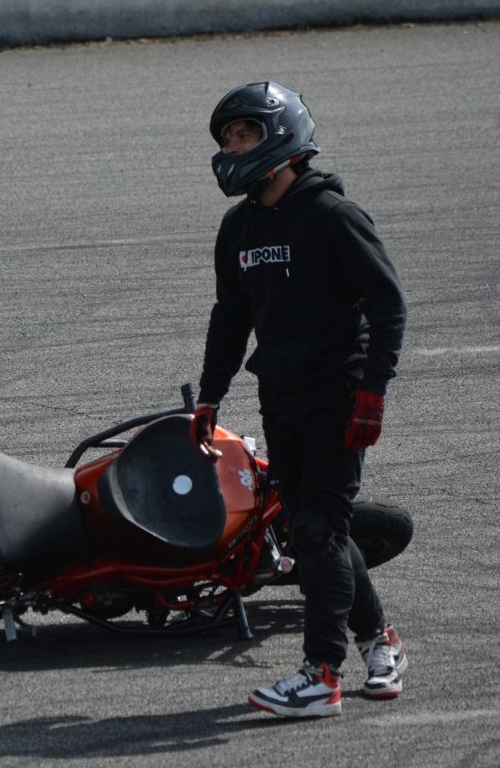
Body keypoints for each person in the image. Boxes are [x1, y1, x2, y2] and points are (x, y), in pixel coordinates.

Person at [190, 81, 408, 718]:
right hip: (278, 395)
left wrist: (373, 391)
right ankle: (381, 641)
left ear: (283, 136)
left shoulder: (335, 217)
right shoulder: (238, 227)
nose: (233, 147)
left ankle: (320, 675)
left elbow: (388, 304)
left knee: (316, 529)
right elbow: (231, 318)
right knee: (318, 529)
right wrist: (210, 395)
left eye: (245, 133)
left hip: (338, 394)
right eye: (228, 137)